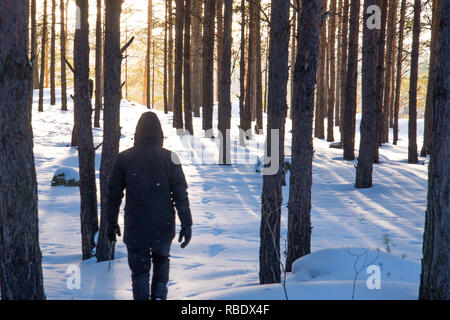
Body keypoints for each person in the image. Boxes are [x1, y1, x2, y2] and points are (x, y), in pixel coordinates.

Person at [106, 111, 193, 300]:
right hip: (163, 225)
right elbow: (180, 194)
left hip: (136, 225)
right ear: (159, 133)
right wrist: (187, 223)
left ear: (137, 133)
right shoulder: (171, 158)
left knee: (139, 273)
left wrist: (110, 222)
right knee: (162, 261)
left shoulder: (125, 158)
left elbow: (113, 195)